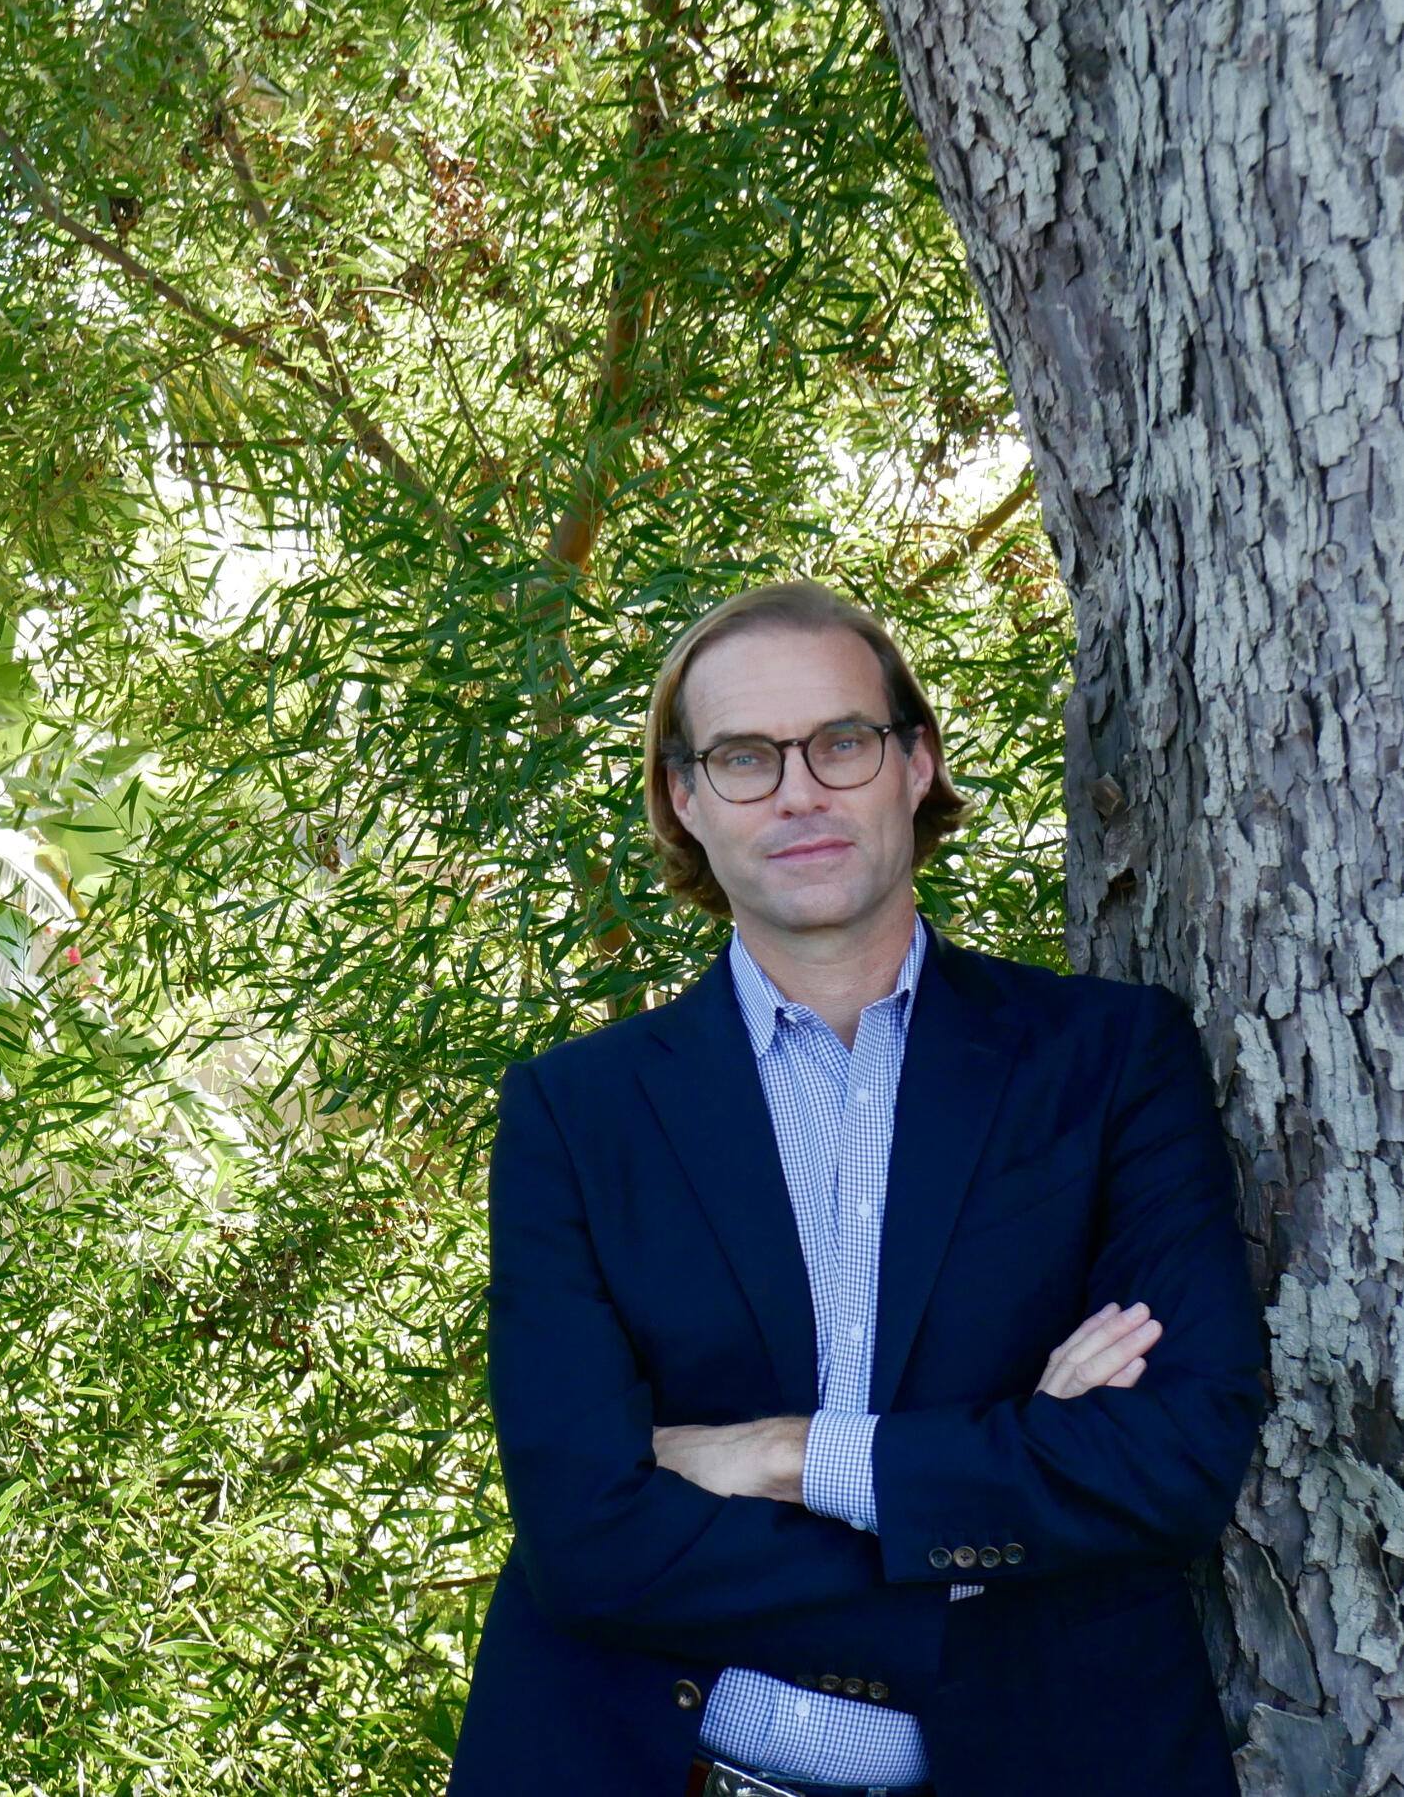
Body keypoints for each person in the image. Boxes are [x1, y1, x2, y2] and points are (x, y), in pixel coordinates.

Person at [446, 582, 1263, 1797]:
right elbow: (584, 1536)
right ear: (683, 799)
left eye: (841, 741)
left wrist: (786, 1456)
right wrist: (984, 1534)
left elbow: (1172, 1456)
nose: (798, 792)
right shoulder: (577, 1114)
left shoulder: (1107, 1061)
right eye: (742, 757)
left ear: (915, 764)